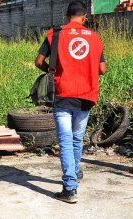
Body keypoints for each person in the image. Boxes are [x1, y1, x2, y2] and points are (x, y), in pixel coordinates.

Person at [35, 1, 107, 203]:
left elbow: (39, 61)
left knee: (66, 141)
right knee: (76, 139)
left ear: (67, 16)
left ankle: (70, 188)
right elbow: (102, 69)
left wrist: (52, 71)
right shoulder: (94, 37)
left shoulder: (54, 34)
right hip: (86, 95)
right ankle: (74, 172)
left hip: (63, 94)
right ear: (84, 17)